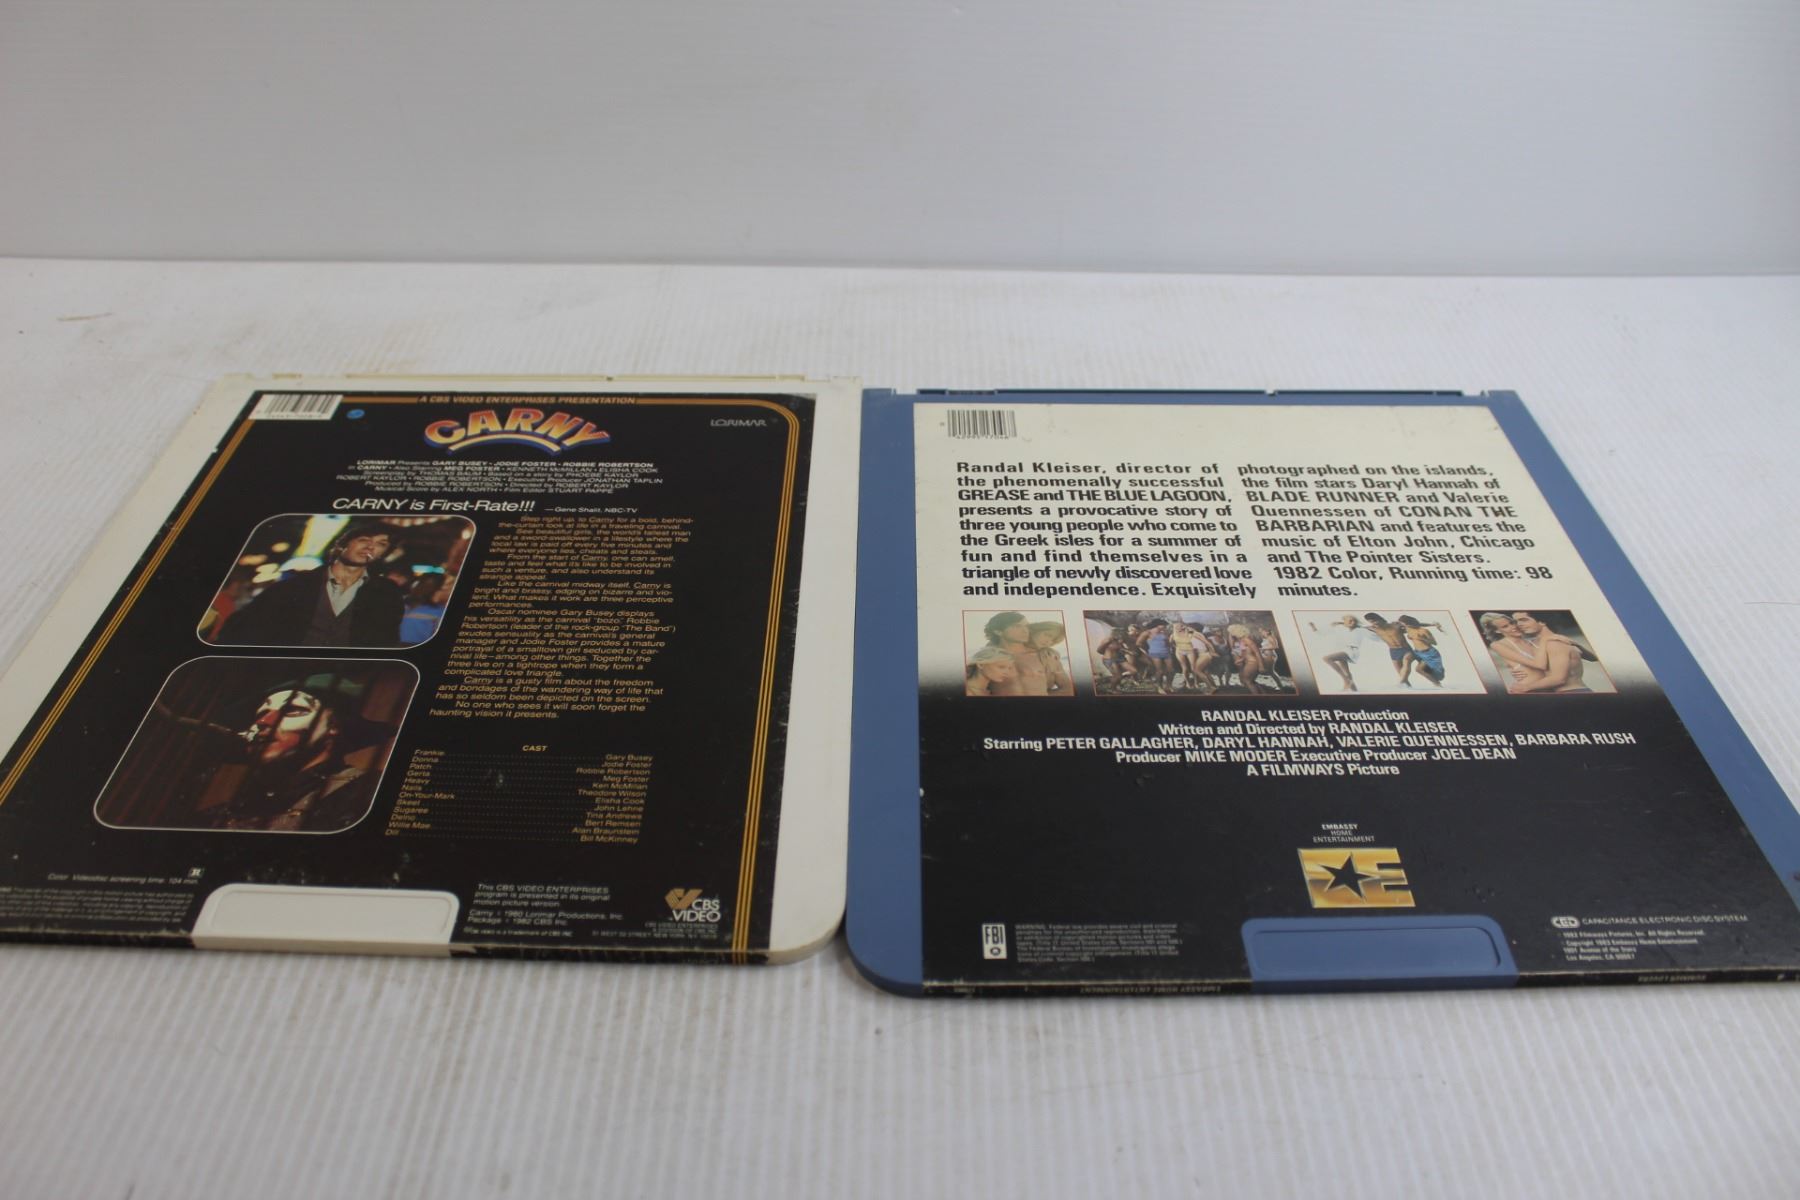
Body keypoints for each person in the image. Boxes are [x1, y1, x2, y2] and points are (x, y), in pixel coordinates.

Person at [215, 520, 406, 647]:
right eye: (364, 539)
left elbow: (386, 640)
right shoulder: (294, 585)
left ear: (384, 553)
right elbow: (241, 627)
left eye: (381, 544)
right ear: (342, 545)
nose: (370, 546)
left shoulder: (386, 593)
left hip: (341, 678)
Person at [1396, 615, 1446, 687]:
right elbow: (1419, 624)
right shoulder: (1407, 628)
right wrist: (1432, 624)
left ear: (1407, 623)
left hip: (1429, 653)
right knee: (1407, 658)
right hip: (1417, 652)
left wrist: (1422, 639)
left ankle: (1437, 684)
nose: (1400, 624)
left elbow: (1434, 642)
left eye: (1401, 623)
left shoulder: (1423, 630)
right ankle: (1403, 681)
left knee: (1420, 670)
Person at [1026, 622, 1073, 696]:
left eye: (1053, 640)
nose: (1048, 641)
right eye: (1047, 635)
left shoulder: (1050, 656)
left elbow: (1068, 690)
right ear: (1036, 629)